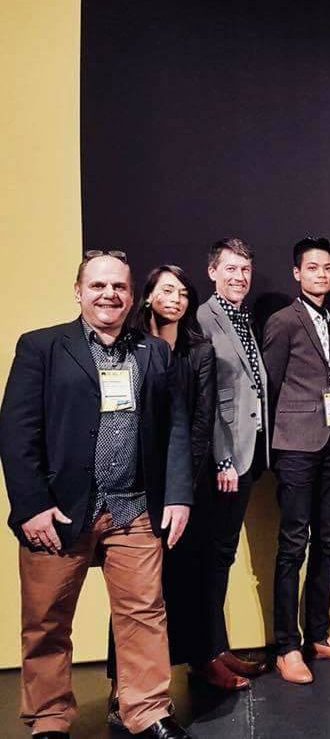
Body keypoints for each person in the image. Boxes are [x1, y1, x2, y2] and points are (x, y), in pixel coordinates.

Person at [0, 250, 193, 738]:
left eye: (119, 287)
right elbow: (17, 432)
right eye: (98, 286)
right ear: (78, 291)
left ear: (132, 295)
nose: (109, 294)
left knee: (144, 615)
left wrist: (177, 495)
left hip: (134, 508)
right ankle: (48, 719)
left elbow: (174, 427)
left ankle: (147, 711)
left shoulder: (155, 351)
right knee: (46, 621)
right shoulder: (42, 346)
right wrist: (32, 505)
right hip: (59, 512)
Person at [104, 265, 215, 727]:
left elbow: (199, 423)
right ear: (147, 296)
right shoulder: (126, 346)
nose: (176, 298)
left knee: (168, 590)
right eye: (167, 290)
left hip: (181, 490)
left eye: (184, 292)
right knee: (132, 594)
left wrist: (182, 488)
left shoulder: (198, 351)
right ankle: (120, 688)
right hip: (131, 489)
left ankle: (157, 691)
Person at [262, 237, 330, 684]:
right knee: (292, 545)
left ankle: (318, 635)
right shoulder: (283, 321)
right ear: (297, 273)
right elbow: (270, 385)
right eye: (313, 267)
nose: (322, 274)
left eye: (328, 268)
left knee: (327, 542)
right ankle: (287, 645)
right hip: (296, 446)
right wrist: (274, 447)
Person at [194, 238, 271, 689]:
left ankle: (217, 647)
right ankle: (204, 656)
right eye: (230, 269)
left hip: (248, 455)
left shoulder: (243, 318)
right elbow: (204, 398)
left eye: (245, 269)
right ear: (212, 272)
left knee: (222, 554)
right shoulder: (203, 318)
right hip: (221, 461)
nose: (239, 277)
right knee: (210, 556)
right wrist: (222, 457)